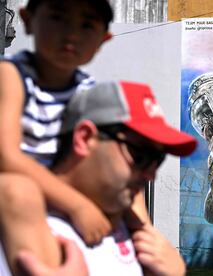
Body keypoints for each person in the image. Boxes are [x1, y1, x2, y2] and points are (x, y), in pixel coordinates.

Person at [0, 81, 196, 275]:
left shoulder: (133, 225)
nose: (151, 175)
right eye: (140, 156)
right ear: (84, 139)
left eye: (158, 159)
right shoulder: (21, 223)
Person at [0, 0, 114, 273]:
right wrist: (76, 205)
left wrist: (146, 230)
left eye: (87, 25)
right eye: (58, 17)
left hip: (60, 201)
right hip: (20, 201)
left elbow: (112, 160)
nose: (72, 34)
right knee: (19, 191)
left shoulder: (90, 92)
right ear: (27, 19)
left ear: (103, 40)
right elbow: (6, 156)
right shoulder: (11, 75)